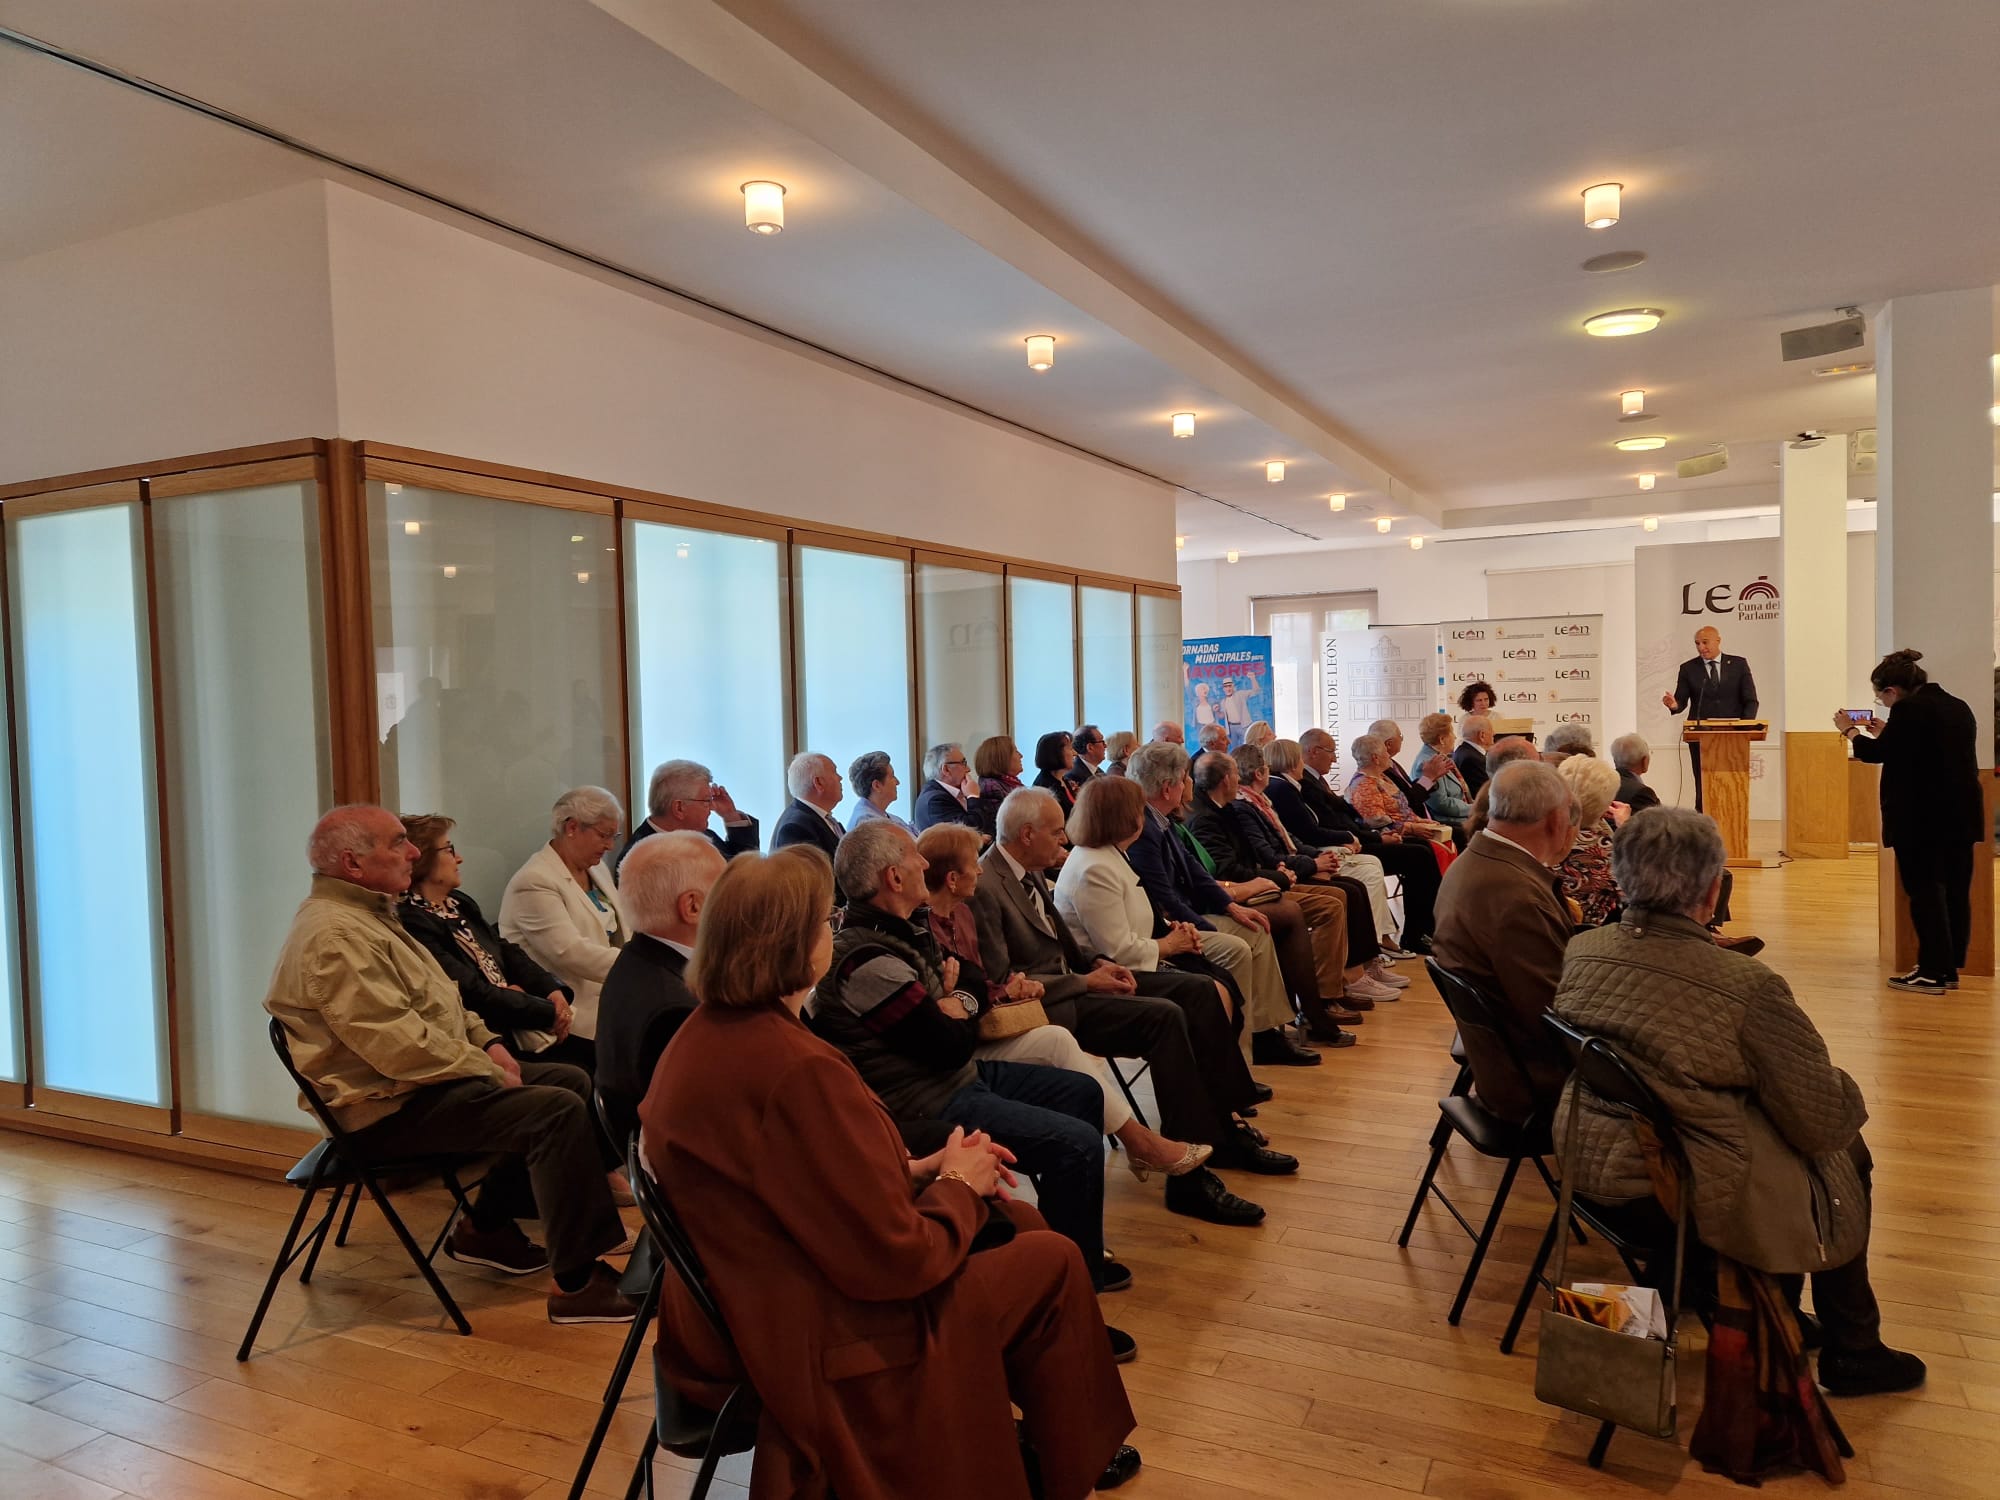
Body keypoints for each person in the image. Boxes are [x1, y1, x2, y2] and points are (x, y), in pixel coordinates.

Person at [642, 846, 1140, 1498]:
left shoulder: (704, 1033)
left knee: (1019, 1217)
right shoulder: (792, 1065)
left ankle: (1015, 1438)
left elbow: (793, 1177)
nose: (833, 930)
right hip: (814, 1324)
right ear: (795, 943)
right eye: (825, 920)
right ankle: (1062, 1460)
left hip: (756, 1294)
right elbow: (896, 1258)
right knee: (1051, 1259)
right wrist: (957, 1184)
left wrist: (918, 1168)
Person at [1554, 808, 1927, 1398]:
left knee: (1807, 1142)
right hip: (1674, 1184)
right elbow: (1822, 1119)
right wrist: (1848, 1087)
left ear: (1622, 880)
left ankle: (1791, 1318)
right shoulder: (1746, 986)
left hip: (1593, 1161)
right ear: (1712, 888)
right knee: (1844, 1155)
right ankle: (1855, 1348)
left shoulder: (1584, 951)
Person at [267, 806, 633, 1322]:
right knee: (551, 1108)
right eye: (397, 843)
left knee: (569, 1078)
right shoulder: (337, 936)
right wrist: (484, 1069)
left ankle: (484, 1229)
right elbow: (397, 1046)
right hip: (383, 1110)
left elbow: (445, 1000)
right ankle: (578, 1285)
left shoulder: (373, 915)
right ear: (352, 863)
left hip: (418, 1085)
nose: (413, 853)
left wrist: (488, 1045)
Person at [810, 821, 1135, 1310]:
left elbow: (978, 982)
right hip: (926, 1099)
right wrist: (957, 1004)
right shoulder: (867, 961)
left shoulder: (904, 928)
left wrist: (955, 1000)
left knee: (1082, 1092)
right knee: (1077, 1143)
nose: (924, 862)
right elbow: (948, 1046)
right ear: (892, 879)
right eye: (912, 855)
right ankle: (1071, 1296)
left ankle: (1072, 1248)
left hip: (952, 1078)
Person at [977, 787, 1291, 1217]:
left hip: (1075, 986)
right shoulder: (987, 884)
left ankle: (1221, 1130)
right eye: (1055, 833)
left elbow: (1067, 942)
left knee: (1198, 991)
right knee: (1165, 1016)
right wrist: (1087, 980)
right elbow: (1005, 982)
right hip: (1048, 1008)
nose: (1064, 841)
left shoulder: (1027, 867)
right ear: (1027, 834)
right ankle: (1190, 1178)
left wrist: (1099, 964)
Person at [914, 821, 1216, 1190]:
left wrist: (1017, 986)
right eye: (970, 863)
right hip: (986, 1034)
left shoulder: (963, 910)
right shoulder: (934, 922)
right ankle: (1145, 1144)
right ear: (952, 879)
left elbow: (981, 981)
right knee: (1081, 1035)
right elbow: (959, 997)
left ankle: (1200, 1130)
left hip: (1018, 1005)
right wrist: (1002, 990)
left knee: (1190, 994)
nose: (979, 867)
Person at [1123, 741, 1324, 1064]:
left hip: (1189, 914)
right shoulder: (1145, 827)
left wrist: (1232, 907)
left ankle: (1263, 1035)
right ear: (1168, 787)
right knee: (1251, 936)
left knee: (1256, 924)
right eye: (1186, 777)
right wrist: (1203, 929)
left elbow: (1194, 872)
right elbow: (1165, 897)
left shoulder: (1160, 820)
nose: (1191, 783)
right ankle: (1248, 1048)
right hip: (1170, 928)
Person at [1430, 761, 1576, 1121]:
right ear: (1557, 821)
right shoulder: (1517, 896)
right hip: (1532, 1080)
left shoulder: (1473, 861)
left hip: (1502, 1060)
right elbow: (1555, 1014)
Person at [1185, 752, 1362, 1044]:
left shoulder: (1223, 808)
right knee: (1324, 906)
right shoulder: (1206, 817)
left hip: (1256, 883)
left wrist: (1278, 870)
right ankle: (1318, 1005)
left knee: (1339, 894)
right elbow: (1229, 869)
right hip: (1239, 893)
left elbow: (1255, 853)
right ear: (1228, 779)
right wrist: (1278, 875)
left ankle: (1326, 998)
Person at [1840, 648, 1983, 994]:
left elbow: (1878, 755)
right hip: (1961, 816)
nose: (1882, 704)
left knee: (1924, 893)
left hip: (1921, 820)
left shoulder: (1909, 710)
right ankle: (1948, 968)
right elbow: (1923, 752)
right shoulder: (1956, 705)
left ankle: (1932, 971)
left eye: (1880, 697)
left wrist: (1850, 732)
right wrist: (1889, 731)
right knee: (1954, 893)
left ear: (1892, 691)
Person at [1227, 744, 1401, 1005]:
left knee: (1354, 887)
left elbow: (1292, 838)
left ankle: (1360, 969)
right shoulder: (1248, 805)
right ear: (1260, 773)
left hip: (1293, 864)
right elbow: (1269, 853)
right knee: (1345, 894)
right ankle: (1336, 987)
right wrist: (1312, 863)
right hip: (1277, 876)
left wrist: (1312, 857)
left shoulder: (1261, 800)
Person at [397, 814, 577, 1062]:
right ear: (423, 858)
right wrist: (544, 1011)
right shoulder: (413, 921)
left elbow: (506, 950)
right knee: (579, 1074)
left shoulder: (459, 902)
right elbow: (470, 991)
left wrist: (551, 991)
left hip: (520, 1014)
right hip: (487, 1034)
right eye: (449, 850)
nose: (459, 858)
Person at [593, 830, 717, 1142]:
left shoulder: (636, 961)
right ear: (692, 907)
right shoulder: (675, 1009)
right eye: (726, 889)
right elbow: (705, 1123)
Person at [498, 787, 631, 1043]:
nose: (610, 845)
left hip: (614, 1002)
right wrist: (638, 966)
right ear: (571, 827)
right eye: (604, 835)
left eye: (614, 835)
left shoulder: (597, 867)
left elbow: (621, 930)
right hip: (573, 1019)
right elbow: (571, 952)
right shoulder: (535, 881)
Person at [1294, 728, 1442, 952]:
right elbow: (1347, 822)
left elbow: (1347, 814)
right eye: (1331, 752)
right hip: (1343, 846)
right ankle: (1415, 933)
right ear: (1314, 752)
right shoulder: (1309, 782)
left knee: (1423, 849)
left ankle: (1423, 929)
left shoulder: (1317, 781)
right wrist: (1376, 837)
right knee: (1418, 854)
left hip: (1357, 838)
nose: (1335, 758)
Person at [1264, 738, 1407, 960]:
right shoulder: (1283, 789)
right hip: (1310, 854)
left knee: (1371, 866)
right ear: (1293, 762)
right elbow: (1307, 831)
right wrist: (1344, 841)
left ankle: (1380, 940)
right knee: (1367, 871)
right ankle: (1372, 949)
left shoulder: (1288, 786)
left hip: (1316, 848)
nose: (1335, 758)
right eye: (1300, 759)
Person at [1664, 625, 1759, 811]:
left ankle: (1733, 821)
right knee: (1703, 784)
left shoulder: (1738, 665)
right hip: (1701, 738)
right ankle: (1702, 824)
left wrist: (1743, 730)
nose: (1701, 647)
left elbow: (1751, 701)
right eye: (1697, 644)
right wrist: (1674, 705)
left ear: (1718, 640)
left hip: (1733, 739)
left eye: (1705, 642)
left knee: (1732, 783)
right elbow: (1681, 700)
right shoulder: (1688, 669)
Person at [616, 759, 757, 875]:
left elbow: (745, 872)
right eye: (706, 801)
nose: (712, 807)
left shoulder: (702, 833)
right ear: (679, 808)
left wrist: (730, 815)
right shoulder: (639, 859)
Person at [1347, 733, 1450, 854]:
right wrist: (1412, 828)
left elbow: (1404, 807)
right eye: (1385, 752)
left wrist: (1420, 821)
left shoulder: (1383, 777)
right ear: (1375, 758)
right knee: (1425, 849)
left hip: (1406, 829)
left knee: (1447, 837)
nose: (1388, 756)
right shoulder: (1364, 785)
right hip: (1389, 837)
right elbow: (1378, 823)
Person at [1556, 753, 1626, 928]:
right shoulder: (1600, 849)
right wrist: (1627, 828)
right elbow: (1635, 889)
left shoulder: (1545, 832)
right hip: (1593, 936)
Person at [770, 751, 844, 859]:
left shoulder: (820, 818)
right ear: (818, 782)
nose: (840, 778)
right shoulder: (796, 827)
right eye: (834, 772)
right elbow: (813, 874)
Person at [1464, 737, 1543, 837]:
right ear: (1518, 769)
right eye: (1538, 762)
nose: (1543, 769)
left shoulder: (1485, 798)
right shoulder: (1522, 806)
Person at [1412, 713, 1474, 835]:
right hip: (1446, 821)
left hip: (1459, 816)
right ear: (1442, 739)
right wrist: (1475, 809)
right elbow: (1441, 804)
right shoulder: (1428, 763)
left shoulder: (1439, 757)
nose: (1455, 737)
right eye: (1451, 733)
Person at [913, 742, 983, 832]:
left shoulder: (958, 791)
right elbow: (972, 830)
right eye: (963, 763)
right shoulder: (935, 801)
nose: (968, 769)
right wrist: (973, 796)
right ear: (946, 769)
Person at [846, 750, 916, 833]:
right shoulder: (867, 824)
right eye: (892, 776)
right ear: (877, 786)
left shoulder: (886, 817)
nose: (897, 782)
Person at [972, 735, 1026, 836]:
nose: (1021, 756)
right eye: (1016, 751)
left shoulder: (1011, 783)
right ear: (1002, 758)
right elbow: (1009, 825)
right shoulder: (991, 788)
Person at [1031, 730, 1080, 817]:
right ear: (1056, 753)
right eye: (1070, 749)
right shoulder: (1045, 787)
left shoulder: (1063, 780)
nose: (1075, 753)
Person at [1609, 732, 1661, 812]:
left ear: (1614, 760)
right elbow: (1659, 822)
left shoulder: (1604, 784)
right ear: (1644, 760)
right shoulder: (1642, 793)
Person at [1455, 713, 1495, 797]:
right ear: (1482, 735)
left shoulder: (1461, 750)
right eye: (1491, 732)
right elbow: (1485, 794)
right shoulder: (1474, 759)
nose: (1493, 734)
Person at [1068, 724, 1107, 789]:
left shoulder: (1100, 772)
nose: (1105, 746)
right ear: (1090, 747)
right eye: (1102, 741)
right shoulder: (1073, 776)